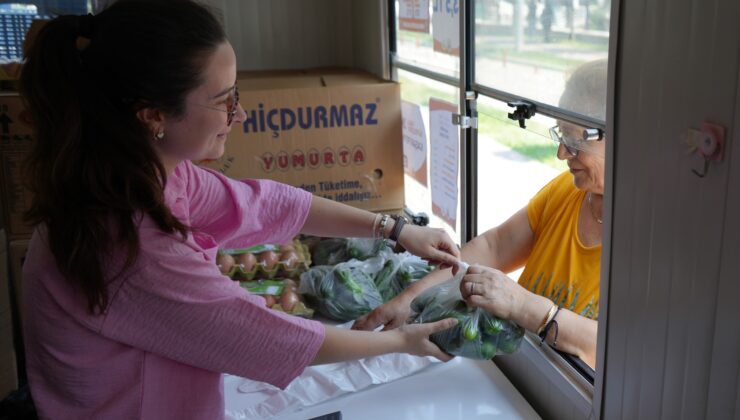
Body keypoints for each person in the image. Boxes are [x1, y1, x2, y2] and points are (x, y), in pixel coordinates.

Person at [18, 1, 462, 419]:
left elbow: (261, 203)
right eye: (224, 101)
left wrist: (393, 228)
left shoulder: (143, 172)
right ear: (152, 116)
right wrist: (403, 341)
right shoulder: (129, 242)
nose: (241, 114)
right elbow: (265, 337)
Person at [354, 59, 608, 369]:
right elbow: (495, 246)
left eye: (575, 140)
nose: (561, 154)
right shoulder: (567, 191)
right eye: (561, 135)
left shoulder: (657, 249)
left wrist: (523, 305)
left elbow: (618, 349)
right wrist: (412, 298)